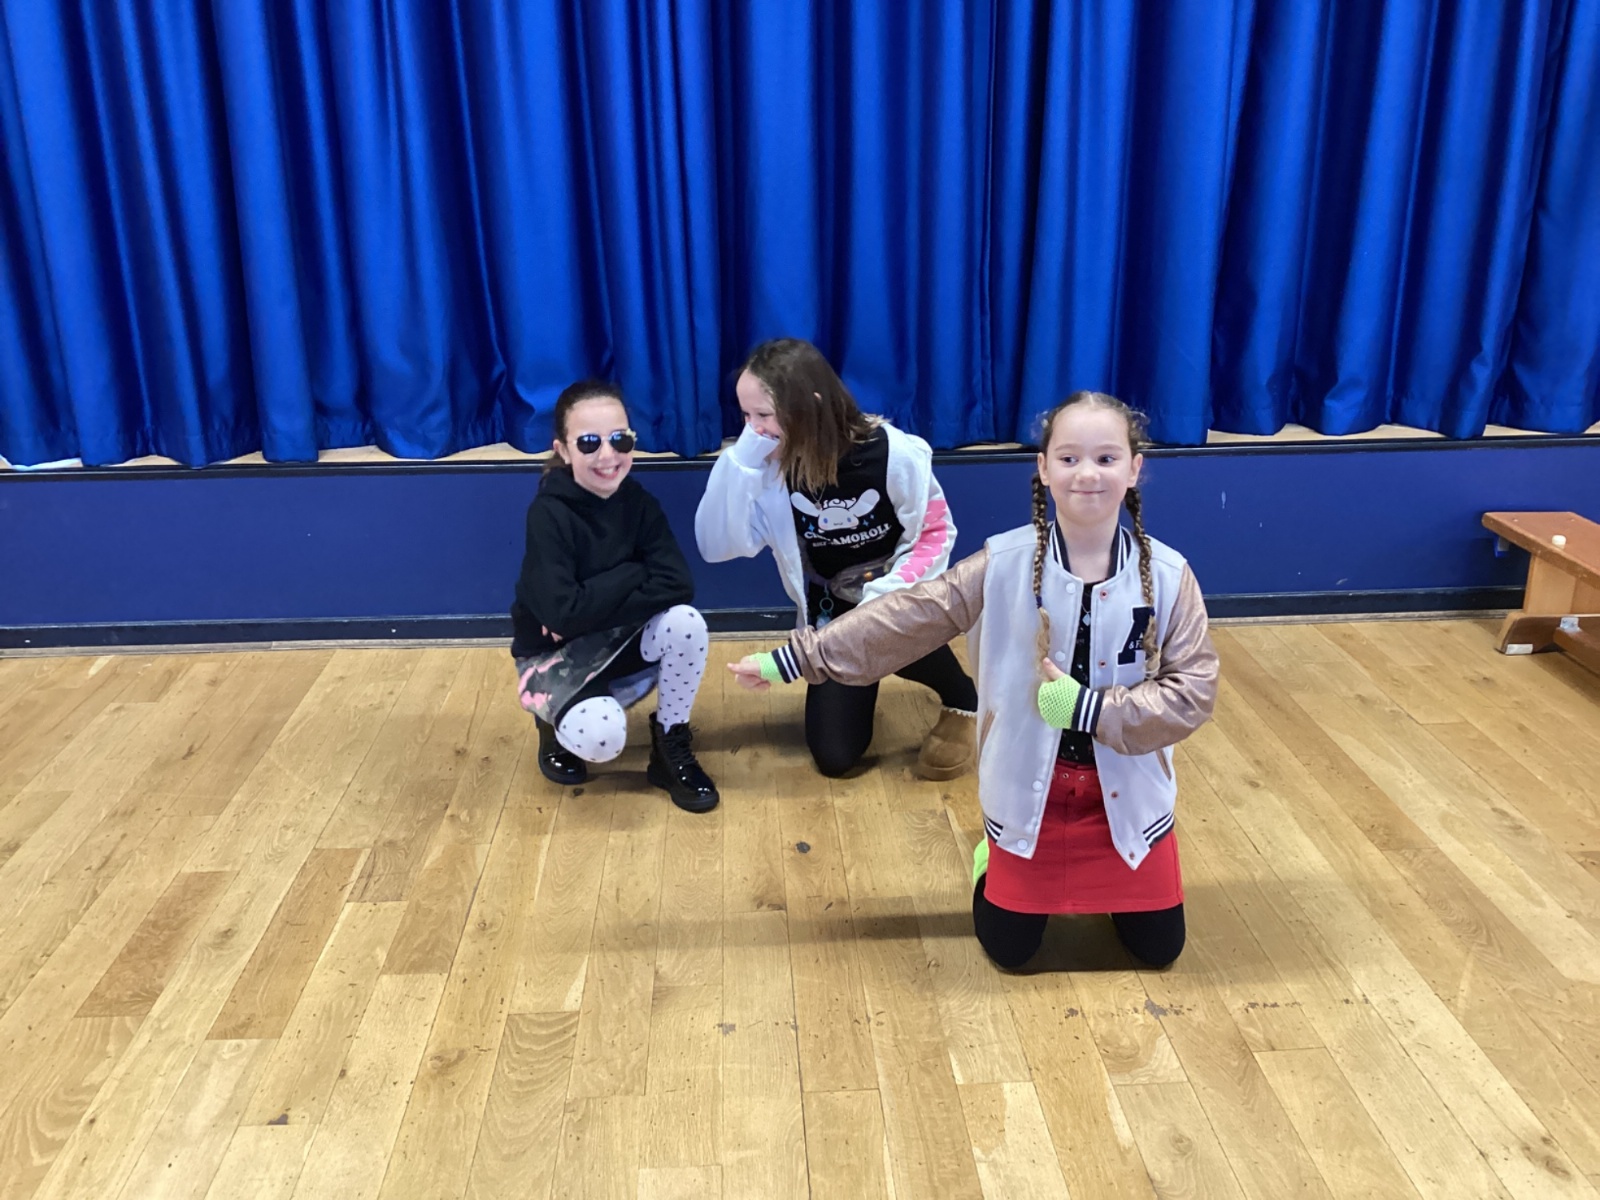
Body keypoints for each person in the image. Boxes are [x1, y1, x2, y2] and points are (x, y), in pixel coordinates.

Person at [731, 391, 1219, 968]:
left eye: (1106, 458)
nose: (1087, 473)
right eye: (1068, 458)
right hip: (1029, 794)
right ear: (1043, 467)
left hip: (1130, 802)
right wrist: (796, 659)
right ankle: (993, 857)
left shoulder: (1169, 574)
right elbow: (907, 618)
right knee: (1010, 951)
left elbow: (1194, 691)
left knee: (1160, 950)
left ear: (1134, 469)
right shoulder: (1001, 563)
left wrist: (1091, 710)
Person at [695, 337, 978, 779]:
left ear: (811, 405)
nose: (754, 430)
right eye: (746, 416)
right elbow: (717, 546)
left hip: (895, 600)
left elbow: (934, 533)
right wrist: (739, 467)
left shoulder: (892, 452)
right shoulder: (769, 468)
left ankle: (963, 697)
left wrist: (884, 605)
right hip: (833, 614)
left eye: (763, 415)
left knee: (895, 633)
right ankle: (875, 663)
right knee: (835, 756)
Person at [511, 380, 719, 812]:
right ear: (563, 450)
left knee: (686, 623)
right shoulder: (547, 514)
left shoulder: (639, 502)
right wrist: (633, 571)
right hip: (556, 655)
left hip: (618, 641)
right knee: (602, 738)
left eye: (620, 439)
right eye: (589, 443)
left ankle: (669, 745)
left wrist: (586, 603)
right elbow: (563, 615)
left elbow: (679, 585)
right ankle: (552, 723)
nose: (608, 455)